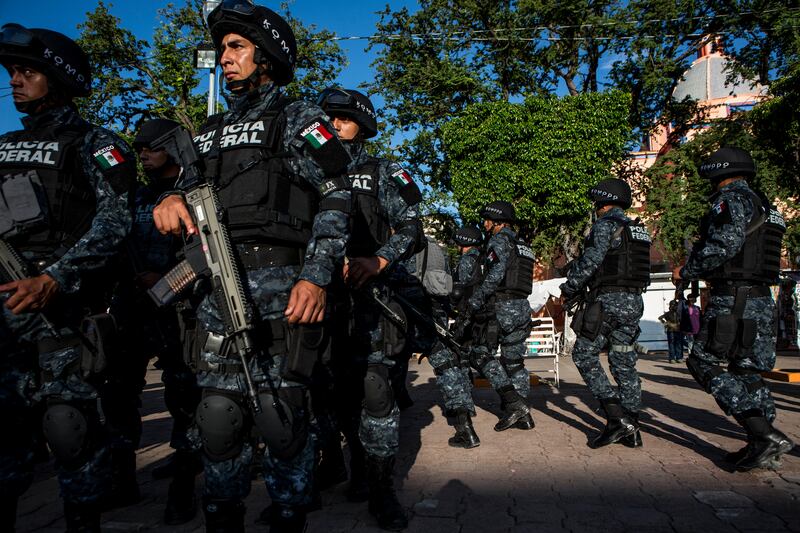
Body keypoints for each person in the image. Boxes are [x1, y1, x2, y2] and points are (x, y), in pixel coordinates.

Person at [152, 3, 352, 531]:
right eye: (222, 49)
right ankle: (223, 516)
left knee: (282, 420)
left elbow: (337, 194)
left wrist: (317, 275)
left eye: (237, 47)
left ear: (267, 57)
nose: (225, 58)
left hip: (283, 289)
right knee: (218, 420)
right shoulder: (209, 131)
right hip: (216, 288)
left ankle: (289, 514)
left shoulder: (298, 118)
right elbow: (185, 189)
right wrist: (169, 201)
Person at [0, 24, 135, 531]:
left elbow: (116, 221)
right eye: (12, 71)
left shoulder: (96, 144)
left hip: (62, 313)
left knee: (70, 431)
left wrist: (56, 276)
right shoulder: (4, 144)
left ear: (57, 78)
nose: (15, 80)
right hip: (5, 314)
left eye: (27, 71)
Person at [318, 87, 425, 531]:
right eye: (328, 119)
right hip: (322, 299)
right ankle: (350, 467)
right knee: (331, 395)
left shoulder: (381, 172)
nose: (334, 125)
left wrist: (378, 260)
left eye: (342, 119)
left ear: (361, 125)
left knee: (375, 392)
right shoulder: (305, 170)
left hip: (370, 299)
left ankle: (382, 489)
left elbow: (412, 227)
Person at [100, 118, 201, 522]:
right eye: (139, 147)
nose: (142, 154)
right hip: (133, 308)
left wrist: (168, 280)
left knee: (184, 399)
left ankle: (183, 486)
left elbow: (209, 253)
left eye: (151, 147)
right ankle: (122, 480)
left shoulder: (194, 197)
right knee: (119, 395)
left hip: (178, 310)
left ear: (173, 148)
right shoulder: (134, 196)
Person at [674, 146, 793, 471]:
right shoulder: (764, 204)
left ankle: (762, 432)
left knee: (702, 361)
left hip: (733, 299)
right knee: (747, 370)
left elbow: (724, 244)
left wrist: (688, 269)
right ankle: (760, 444)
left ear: (718, 172)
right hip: (759, 299)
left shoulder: (730, 200)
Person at [560, 178, 651, 448]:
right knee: (624, 363)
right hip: (634, 303)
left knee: (584, 354)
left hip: (609, 303)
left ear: (602, 203)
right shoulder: (637, 230)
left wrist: (570, 286)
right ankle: (632, 427)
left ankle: (616, 420)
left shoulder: (605, 226)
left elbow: (590, 261)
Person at [468, 201, 534, 431]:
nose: (485, 224)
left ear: (498, 221)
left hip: (502, 306)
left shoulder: (499, 240)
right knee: (514, 362)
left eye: (487, 220)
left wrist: (476, 300)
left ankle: (514, 405)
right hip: (522, 307)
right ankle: (522, 414)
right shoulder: (523, 244)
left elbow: (496, 273)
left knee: (479, 355)